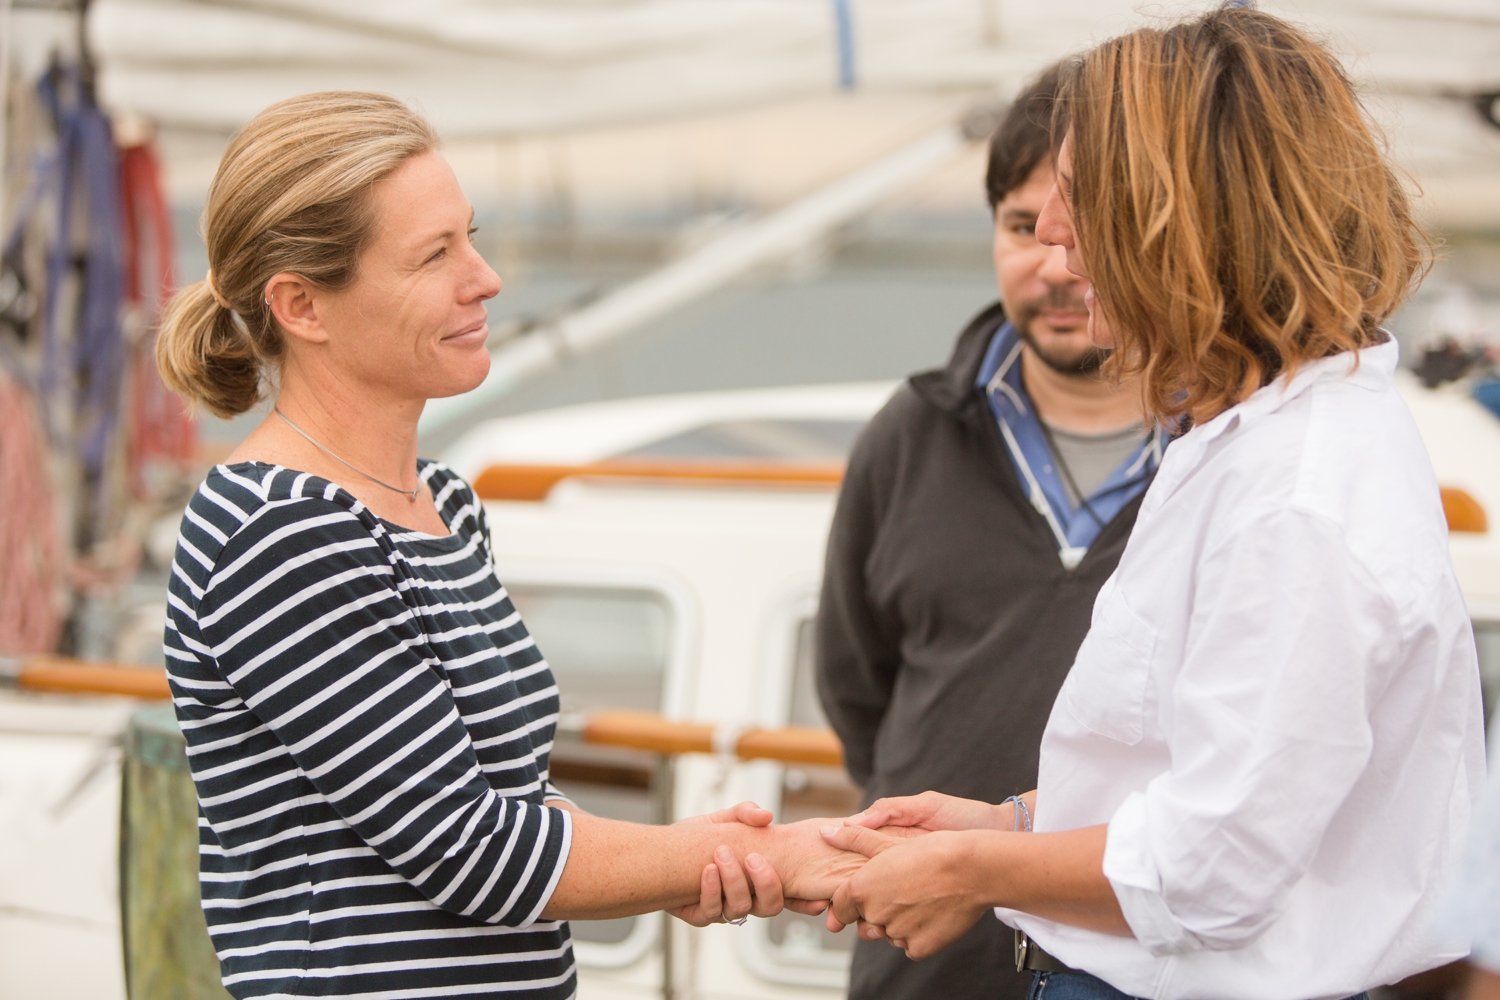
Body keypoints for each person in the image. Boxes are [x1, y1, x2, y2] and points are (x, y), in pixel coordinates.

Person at [816, 8, 1487, 1000]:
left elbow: (1211, 867)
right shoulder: (1255, 438)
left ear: (1197, 216)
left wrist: (971, 869)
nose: (1047, 233)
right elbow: (1207, 779)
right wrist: (1005, 823)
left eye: (1083, 198)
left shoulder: (1297, 497)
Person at [155, 91, 862, 1000]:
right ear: (301, 305)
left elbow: (502, 800)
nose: (484, 278)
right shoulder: (280, 530)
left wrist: (673, 861)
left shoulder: (440, 502)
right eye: (434, 255)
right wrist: (720, 854)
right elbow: (468, 850)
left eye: (471, 237)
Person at [814, 64, 1163, 1000]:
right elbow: (857, 685)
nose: (1055, 265)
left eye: (1091, 233)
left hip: (1138, 962)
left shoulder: (1222, 453)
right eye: (1022, 227)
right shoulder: (910, 432)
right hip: (925, 959)